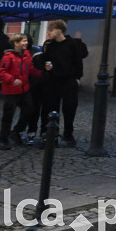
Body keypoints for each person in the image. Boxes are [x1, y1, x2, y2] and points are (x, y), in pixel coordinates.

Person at [33, 20, 86, 148]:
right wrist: (44, 66)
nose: (48, 34)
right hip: (53, 80)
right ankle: (50, 135)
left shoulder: (72, 44)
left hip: (69, 80)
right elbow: (44, 60)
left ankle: (68, 134)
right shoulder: (51, 46)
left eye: (50, 31)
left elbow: (78, 61)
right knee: (50, 108)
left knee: (69, 109)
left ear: (58, 31)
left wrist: (77, 77)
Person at [0, 34, 40, 149]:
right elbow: (1, 73)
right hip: (11, 91)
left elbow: (30, 69)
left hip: (24, 89)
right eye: (24, 41)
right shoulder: (8, 56)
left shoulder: (27, 55)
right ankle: (3, 139)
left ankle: (16, 131)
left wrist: (42, 72)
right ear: (16, 43)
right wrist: (12, 80)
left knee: (29, 110)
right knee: (8, 115)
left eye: (26, 41)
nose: (26, 43)